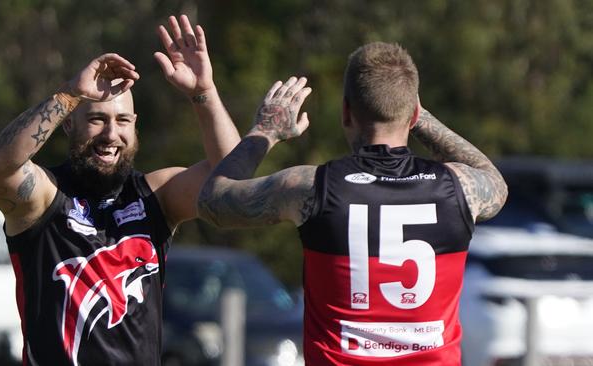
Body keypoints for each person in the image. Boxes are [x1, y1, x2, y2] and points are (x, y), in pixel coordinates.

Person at [197, 42, 508, 365]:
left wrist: (266, 131)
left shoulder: (309, 187)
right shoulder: (459, 186)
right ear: (413, 113)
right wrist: (418, 115)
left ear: (346, 111)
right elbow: (493, 177)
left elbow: (213, 201)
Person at [0, 15, 240, 366]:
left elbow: (230, 176)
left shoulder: (156, 196)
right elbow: (0, 164)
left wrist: (203, 93)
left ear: (135, 128)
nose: (110, 134)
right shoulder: (45, 198)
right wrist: (71, 93)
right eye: (96, 119)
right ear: (69, 125)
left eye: (122, 121)